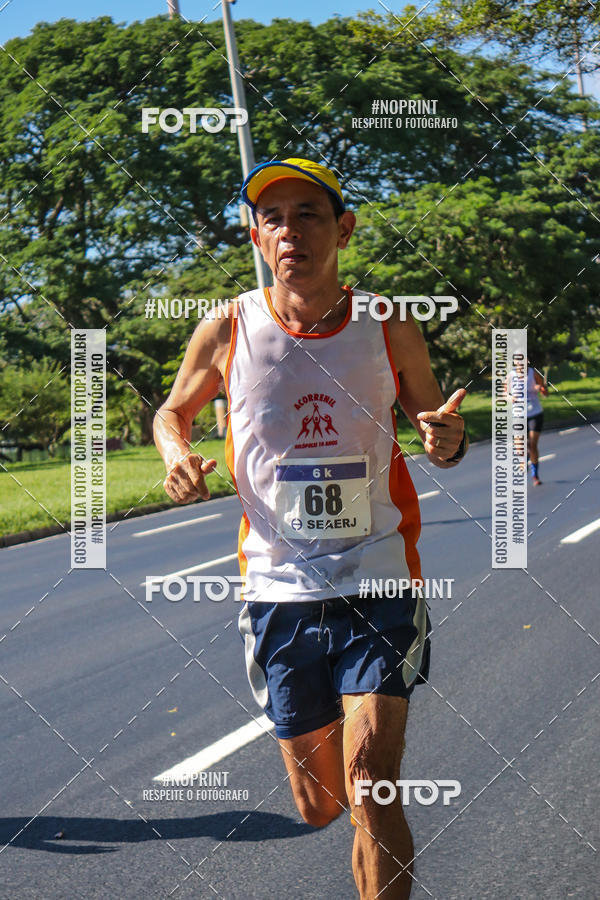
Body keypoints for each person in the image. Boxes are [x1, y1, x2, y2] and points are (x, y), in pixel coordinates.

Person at [153, 157, 468, 899]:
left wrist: (446, 439)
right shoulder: (227, 327)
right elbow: (172, 412)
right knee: (321, 803)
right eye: (273, 218)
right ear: (256, 237)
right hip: (278, 589)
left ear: (344, 229)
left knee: (372, 779)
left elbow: (437, 428)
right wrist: (176, 456)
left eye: (308, 215)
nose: (289, 230)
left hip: (379, 577)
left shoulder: (387, 323)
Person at [509, 359, 548, 486]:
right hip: (518, 415)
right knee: (520, 447)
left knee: (532, 445)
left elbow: (545, 392)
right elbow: (504, 393)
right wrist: (510, 397)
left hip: (535, 413)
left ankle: (535, 475)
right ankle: (523, 458)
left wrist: (540, 388)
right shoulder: (510, 376)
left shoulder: (533, 373)